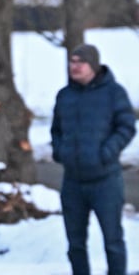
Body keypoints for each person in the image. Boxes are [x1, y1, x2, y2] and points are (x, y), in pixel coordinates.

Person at [51, 43, 136, 275]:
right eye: (72, 61)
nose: (74, 66)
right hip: (73, 182)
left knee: (113, 241)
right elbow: (56, 130)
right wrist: (60, 151)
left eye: (80, 62)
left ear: (94, 66)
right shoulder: (64, 95)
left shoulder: (114, 93)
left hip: (105, 181)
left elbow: (127, 127)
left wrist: (107, 152)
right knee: (75, 245)